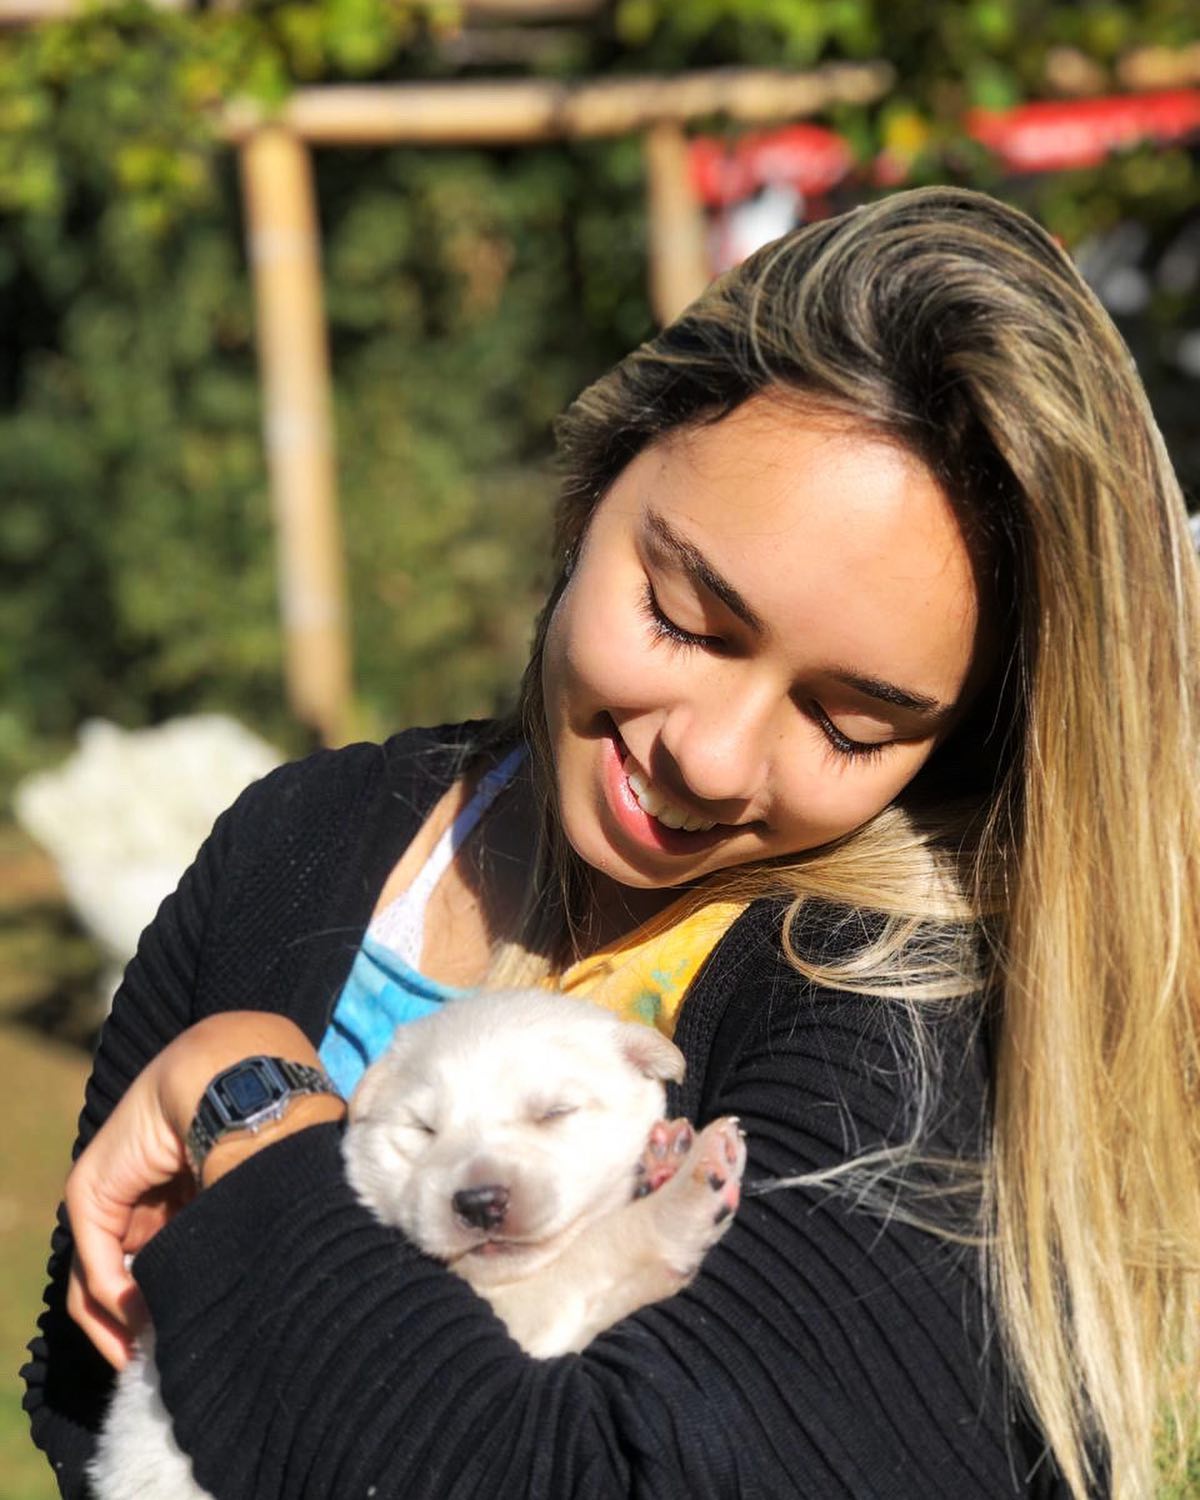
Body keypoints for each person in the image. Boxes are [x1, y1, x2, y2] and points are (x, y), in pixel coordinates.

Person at [23, 186, 1200, 1500]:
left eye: (850, 723)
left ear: (959, 742)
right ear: (594, 483)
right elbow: (93, 1385)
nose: (712, 755)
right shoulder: (301, 839)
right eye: (686, 617)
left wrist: (248, 1104)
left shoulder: (899, 1022)